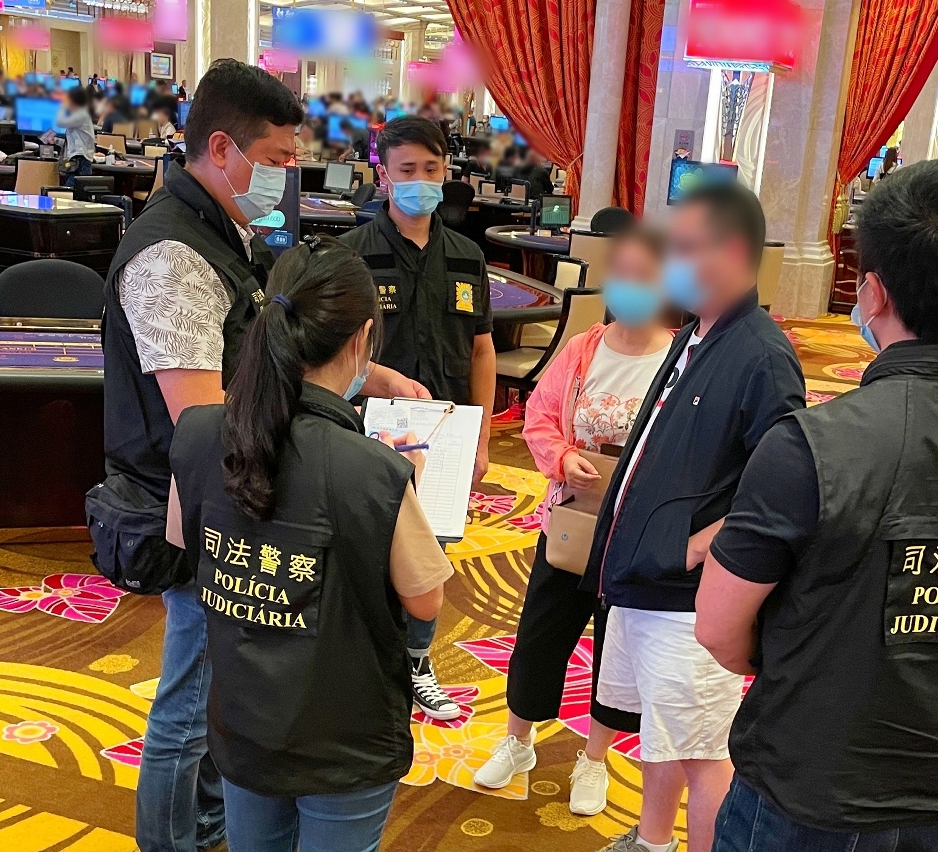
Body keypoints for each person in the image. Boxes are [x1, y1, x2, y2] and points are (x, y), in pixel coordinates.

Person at [696, 158, 938, 852]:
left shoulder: (810, 446)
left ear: (871, 292)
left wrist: (799, 655)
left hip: (804, 789)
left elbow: (719, 627)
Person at [103, 59, 422, 852]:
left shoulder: (222, 232)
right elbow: (204, 423)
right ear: (221, 148)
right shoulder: (171, 256)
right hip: (203, 509)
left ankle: (215, 824)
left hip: (247, 495)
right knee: (189, 704)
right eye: (277, 158)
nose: (288, 175)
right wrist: (331, 454)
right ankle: (171, 841)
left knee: (232, 694)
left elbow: (265, 356)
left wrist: (369, 374)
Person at [169, 236, 453, 852]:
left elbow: (183, 538)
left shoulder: (198, 431)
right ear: (362, 339)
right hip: (343, 734)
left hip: (243, 714)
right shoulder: (372, 470)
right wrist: (402, 487)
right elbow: (425, 600)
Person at [583, 183, 806, 852]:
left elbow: (784, 485)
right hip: (643, 577)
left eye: (684, 248)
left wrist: (697, 544)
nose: (668, 262)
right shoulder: (695, 333)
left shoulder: (762, 354)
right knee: (662, 733)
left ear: (733, 253)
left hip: (689, 600)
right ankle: (653, 840)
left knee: (702, 752)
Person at [473, 230, 673, 812]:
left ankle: (594, 758)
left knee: (616, 647)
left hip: (635, 533)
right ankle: (518, 740)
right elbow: (538, 416)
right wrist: (562, 458)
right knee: (541, 635)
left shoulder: (680, 360)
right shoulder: (585, 349)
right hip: (571, 522)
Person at [341, 115, 496, 722]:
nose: (421, 180)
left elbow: (481, 351)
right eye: (407, 170)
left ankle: (417, 663)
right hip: (369, 429)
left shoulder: (467, 256)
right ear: (383, 176)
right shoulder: (353, 255)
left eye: (431, 169)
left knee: (429, 554)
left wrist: (483, 437)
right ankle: (363, 664)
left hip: (447, 433)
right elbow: (338, 352)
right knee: (366, 550)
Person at [55, 86, 97, 187]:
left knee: (72, 190)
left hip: (81, 161)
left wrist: (63, 106)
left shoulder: (81, 115)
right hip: (78, 159)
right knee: (72, 190)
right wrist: (56, 141)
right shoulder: (79, 114)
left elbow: (59, 122)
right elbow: (73, 139)